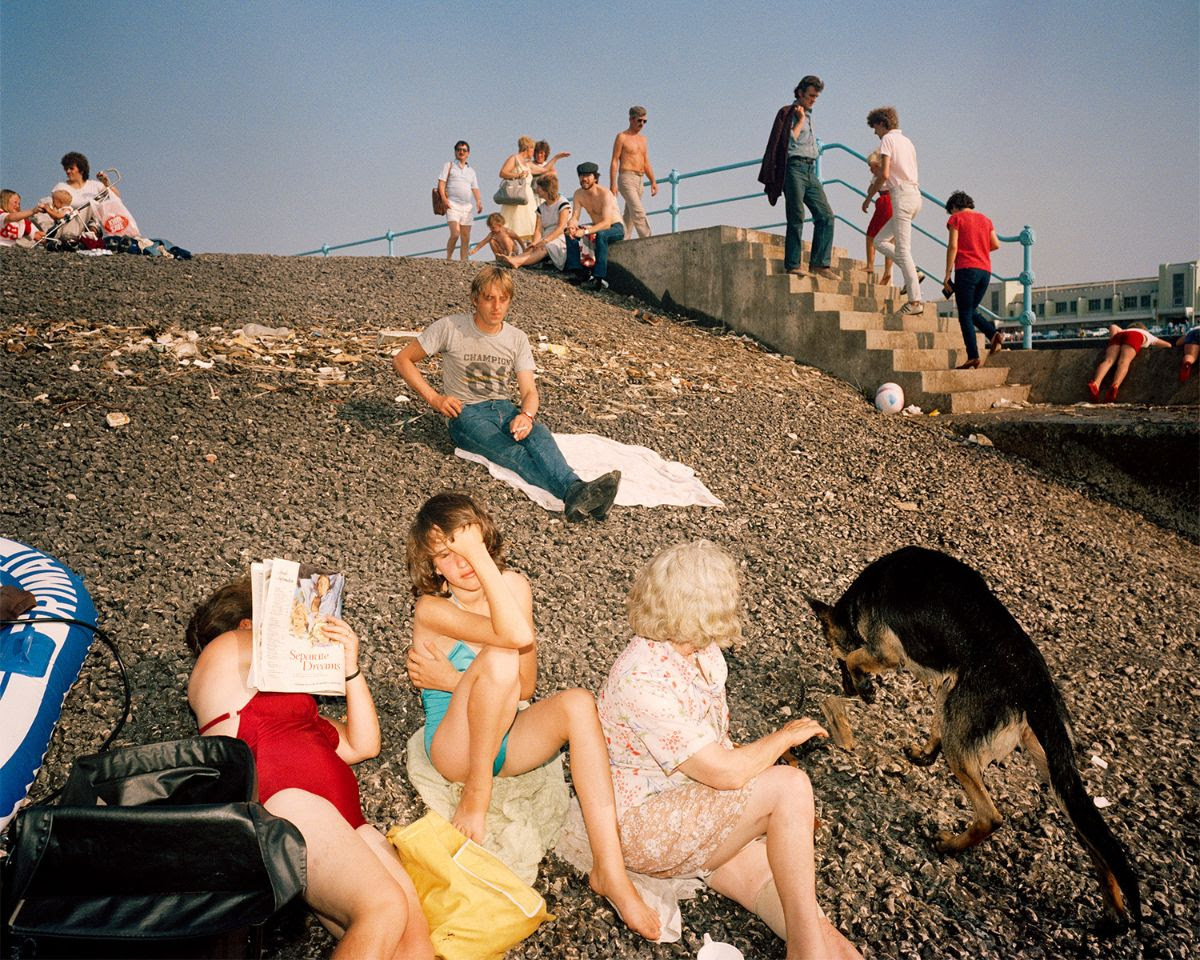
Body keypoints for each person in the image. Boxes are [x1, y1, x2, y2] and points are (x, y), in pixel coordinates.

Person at [404, 492, 660, 940]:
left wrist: (452, 678)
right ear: (433, 568)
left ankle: (610, 871)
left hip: (505, 732)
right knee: (500, 658)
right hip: (454, 747)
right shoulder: (433, 609)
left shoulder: (515, 588)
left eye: (469, 547)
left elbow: (525, 688)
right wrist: (461, 684)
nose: (462, 563)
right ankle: (476, 796)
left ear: (486, 539)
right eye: (447, 556)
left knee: (579, 703)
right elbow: (512, 640)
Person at [598, 541, 862, 960]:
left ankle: (809, 948)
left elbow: (714, 748)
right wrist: (783, 737)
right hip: (647, 823)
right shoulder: (641, 677)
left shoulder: (702, 652)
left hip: (696, 807)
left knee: (814, 924)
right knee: (790, 787)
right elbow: (724, 772)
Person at [186, 579, 433, 960]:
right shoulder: (225, 653)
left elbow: (363, 744)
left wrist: (351, 670)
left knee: (415, 946)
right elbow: (276, 642)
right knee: (383, 907)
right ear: (250, 623)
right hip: (285, 805)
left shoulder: (301, 712)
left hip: (348, 824)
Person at [393, 265, 621, 521]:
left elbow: (529, 391)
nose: (496, 306)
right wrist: (435, 398)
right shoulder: (450, 327)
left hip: (504, 408)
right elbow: (403, 359)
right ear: (475, 298)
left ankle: (580, 494)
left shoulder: (516, 338)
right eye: (489, 298)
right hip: (465, 413)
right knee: (512, 453)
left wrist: (526, 415)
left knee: (539, 435)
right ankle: (575, 492)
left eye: (503, 299)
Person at [758, 76, 837, 280]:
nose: (813, 99)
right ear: (800, 93)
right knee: (796, 216)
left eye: (816, 96)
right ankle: (793, 264)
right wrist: (800, 121)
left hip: (810, 170)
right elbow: (787, 142)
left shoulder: (809, 114)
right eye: (811, 95)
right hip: (793, 168)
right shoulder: (789, 113)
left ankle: (820, 264)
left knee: (826, 215)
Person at [862, 107, 923, 315]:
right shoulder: (908, 142)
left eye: (875, 127)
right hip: (915, 195)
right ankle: (912, 271)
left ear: (881, 124)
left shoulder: (887, 140)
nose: (875, 132)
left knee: (903, 250)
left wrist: (869, 197)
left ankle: (915, 301)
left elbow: (885, 173)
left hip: (901, 196)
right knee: (880, 241)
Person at [942, 190, 1002, 369]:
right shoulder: (986, 219)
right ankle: (993, 334)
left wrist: (947, 273)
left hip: (966, 270)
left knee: (964, 315)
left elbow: (953, 246)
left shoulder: (956, 219)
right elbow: (996, 244)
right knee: (970, 310)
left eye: (950, 211)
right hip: (985, 271)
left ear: (954, 207)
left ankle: (973, 356)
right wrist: (979, 250)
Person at [564, 162, 624, 291]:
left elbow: (607, 223)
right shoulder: (578, 194)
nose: (584, 179)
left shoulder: (605, 194)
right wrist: (572, 226)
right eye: (581, 176)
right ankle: (578, 272)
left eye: (587, 175)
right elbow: (575, 216)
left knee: (601, 235)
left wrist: (585, 231)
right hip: (596, 226)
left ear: (595, 177)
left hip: (615, 227)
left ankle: (598, 279)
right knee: (569, 232)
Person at [497, 173, 571, 271]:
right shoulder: (541, 208)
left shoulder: (562, 203)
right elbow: (538, 230)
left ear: (546, 189)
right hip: (546, 235)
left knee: (544, 247)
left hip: (560, 237)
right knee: (533, 247)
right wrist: (535, 242)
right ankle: (513, 259)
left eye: (538, 187)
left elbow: (561, 227)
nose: (536, 190)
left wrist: (545, 241)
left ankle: (517, 262)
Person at [497, 137, 561, 245]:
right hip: (518, 197)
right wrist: (518, 175)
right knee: (514, 226)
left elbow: (544, 169)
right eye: (533, 149)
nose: (534, 152)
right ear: (528, 148)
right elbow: (503, 173)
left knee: (531, 227)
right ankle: (512, 252)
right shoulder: (514, 158)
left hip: (528, 199)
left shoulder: (527, 164)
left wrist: (556, 158)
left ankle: (527, 252)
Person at [1086, 324, 1171, 402]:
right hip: (1135, 337)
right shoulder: (1147, 334)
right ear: (1143, 329)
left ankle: (1096, 383)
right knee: (1124, 361)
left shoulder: (1124, 330)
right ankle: (1115, 386)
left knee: (1108, 361)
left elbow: (1113, 327)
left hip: (1119, 336)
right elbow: (1168, 345)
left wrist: (1113, 339)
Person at [609, 106, 657, 239]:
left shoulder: (643, 139)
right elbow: (614, 160)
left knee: (630, 214)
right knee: (638, 210)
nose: (642, 124)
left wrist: (653, 181)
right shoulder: (622, 137)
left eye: (644, 121)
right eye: (639, 120)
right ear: (631, 119)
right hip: (626, 177)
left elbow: (645, 161)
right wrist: (613, 184)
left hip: (640, 179)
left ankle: (623, 240)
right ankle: (648, 238)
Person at [439, 141, 483, 261]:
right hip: (452, 204)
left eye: (464, 150)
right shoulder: (449, 166)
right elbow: (441, 184)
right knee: (455, 233)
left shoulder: (471, 171)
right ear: (455, 151)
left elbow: (475, 188)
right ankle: (448, 258)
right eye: (459, 149)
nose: (461, 152)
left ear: (468, 153)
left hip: (466, 207)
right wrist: (444, 199)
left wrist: (478, 201)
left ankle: (463, 261)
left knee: (465, 236)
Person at [863, 152, 893, 285]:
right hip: (895, 201)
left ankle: (870, 264)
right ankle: (887, 271)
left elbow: (871, 189)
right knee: (890, 239)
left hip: (885, 202)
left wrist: (868, 199)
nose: (871, 170)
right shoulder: (891, 172)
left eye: (872, 167)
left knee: (871, 234)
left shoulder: (880, 176)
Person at [54, 151, 119, 207]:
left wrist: (106, 183)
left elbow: (116, 198)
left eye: (71, 168)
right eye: (66, 169)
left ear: (81, 170)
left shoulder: (95, 185)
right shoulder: (61, 187)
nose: (68, 171)